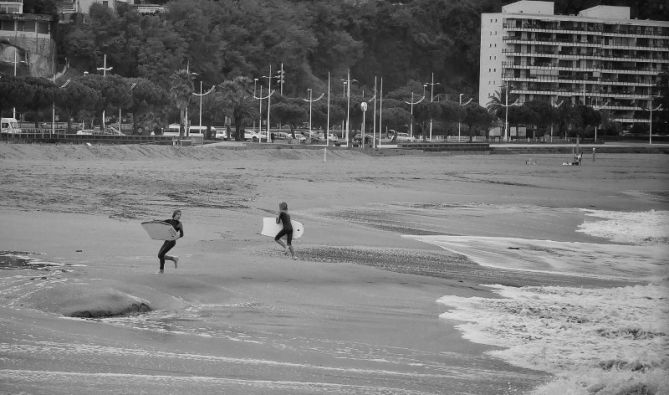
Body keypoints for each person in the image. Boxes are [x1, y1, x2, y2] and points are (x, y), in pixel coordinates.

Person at [157, 209, 183, 273]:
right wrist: (155, 221)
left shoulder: (179, 224)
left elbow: (182, 234)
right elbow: (161, 223)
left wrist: (175, 238)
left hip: (172, 242)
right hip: (167, 240)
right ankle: (173, 258)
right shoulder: (169, 221)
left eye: (180, 215)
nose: (179, 216)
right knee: (159, 255)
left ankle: (161, 270)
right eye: (178, 214)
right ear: (174, 215)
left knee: (161, 255)